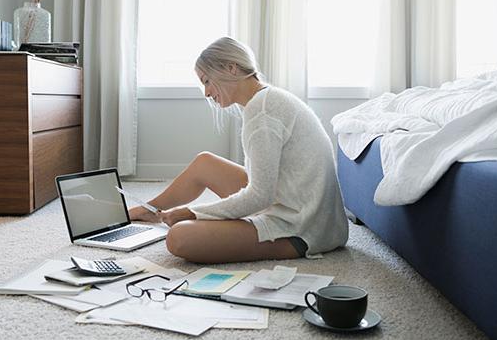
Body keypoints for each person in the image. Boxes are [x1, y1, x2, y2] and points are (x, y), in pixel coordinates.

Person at [129, 37, 349, 263]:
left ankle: (289, 241)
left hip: (303, 226)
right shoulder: (267, 99)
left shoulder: (262, 113)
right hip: (302, 206)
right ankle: (149, 209)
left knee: (179, 237)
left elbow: (259, 197)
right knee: (204, 163)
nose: (206, 93)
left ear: (231, 68)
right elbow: (263, 186)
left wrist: (193, 212)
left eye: (207, 81)